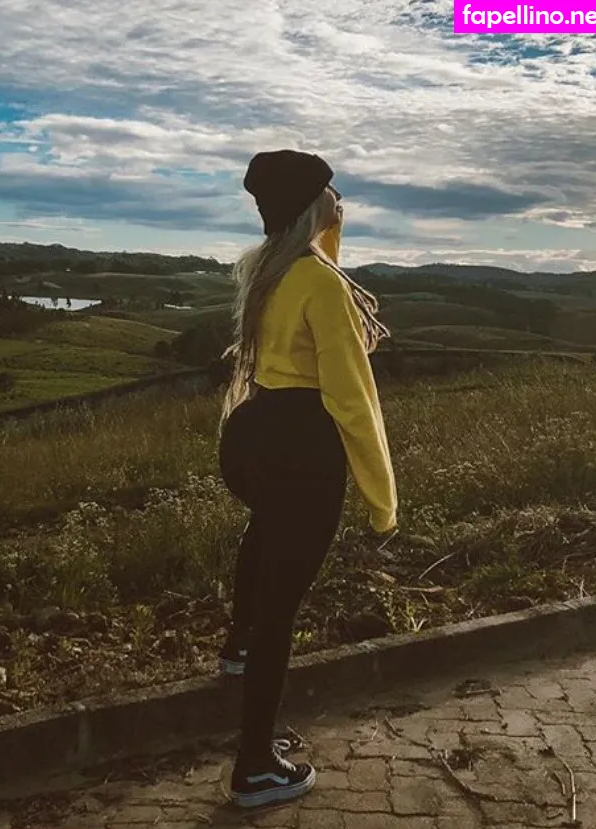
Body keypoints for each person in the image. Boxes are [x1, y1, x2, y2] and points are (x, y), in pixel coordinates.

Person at [217, 149, 398, 809]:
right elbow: (353, 400)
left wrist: (326, 235)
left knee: (264, 541)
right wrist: (382, 500)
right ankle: (255, 767)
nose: (339, 200)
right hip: (303, 452)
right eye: (330, 191)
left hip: (255, 440)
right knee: (282, 612)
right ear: (312, 205)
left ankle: (236, 650)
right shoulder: (320, 285)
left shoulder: (269, 269)